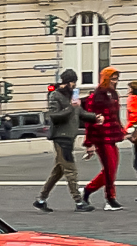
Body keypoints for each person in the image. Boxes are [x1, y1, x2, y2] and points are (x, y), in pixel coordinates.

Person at [33, 71, 86, 211]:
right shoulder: (55, 95)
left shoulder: (71, 96)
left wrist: (95, 117)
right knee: (70, 170)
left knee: (58, 171)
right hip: (60, 137)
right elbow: (54, 116)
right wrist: (70, 108)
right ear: (67, 82)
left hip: (69, 136)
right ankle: (79, 202)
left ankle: (41, 199)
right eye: (73, 82)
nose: (75, 85)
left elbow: (80, 113)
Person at [79, 68, 123, 208]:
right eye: (112, 79)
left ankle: (88, 190)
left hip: (111, 136)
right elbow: (90, 121)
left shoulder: (113, 94)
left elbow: (116, 117)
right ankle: (110, 198)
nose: (115, 82)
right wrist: (89, 143)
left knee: (111, 169)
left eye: (116, 79)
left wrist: (121, 131)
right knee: (110, 169)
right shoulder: (96, 96)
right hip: (101, 138)